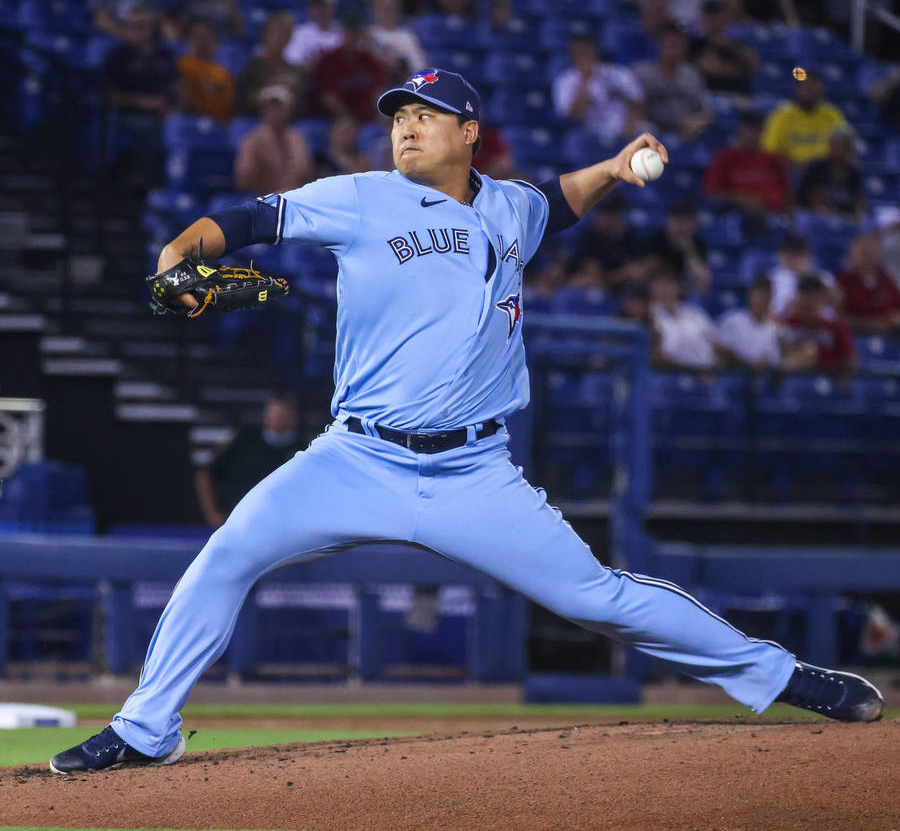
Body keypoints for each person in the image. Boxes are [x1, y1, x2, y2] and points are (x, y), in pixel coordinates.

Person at [50, 67, 882, 774]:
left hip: (474, 474)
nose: (405, 130)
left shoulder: (511, 208)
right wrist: (176, 254)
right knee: (228, 552)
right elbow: (243, 222)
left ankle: (783, 677)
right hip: (356, 458)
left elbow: (557, 202)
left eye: (424, 116)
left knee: (598, 598)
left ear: (470, 132)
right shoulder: (361, 199)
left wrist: (619, 165)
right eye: (398, 119)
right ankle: (143, 729)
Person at [195, 394, 299, 528]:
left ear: (293, 417)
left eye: (283, 414)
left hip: (284, 526)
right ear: (265, 416)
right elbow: (205, 474)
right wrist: (212, 513)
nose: (279, 419)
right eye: (274, 414)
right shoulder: (244, 442)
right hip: (236, 524)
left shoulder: (305, 449)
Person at [102, 7, 178, 192]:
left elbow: (179, 88)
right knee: (148, 128)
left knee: (180, 127)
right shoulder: (118, 56)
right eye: (133, 26)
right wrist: (141, 102)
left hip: (164, 113)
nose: (138, 31)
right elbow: (109, 96)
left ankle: (177, 185)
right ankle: (149, 182)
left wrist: (174, 110)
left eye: (143, 26)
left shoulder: (164, 55)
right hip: (128, 114)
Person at [552, 34, 644, 147]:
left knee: (651, 134)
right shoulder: (565, 81)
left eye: (586, 51)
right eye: (578, 53)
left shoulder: (617, 73)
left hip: (625, 131)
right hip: (590, 136)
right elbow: (573, 116)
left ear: (594, 51)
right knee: (576, 140)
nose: (583, 56)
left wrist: (630, 126)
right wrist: (584, 81)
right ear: (571, 55)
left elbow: (637, 101)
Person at [703, 110, 791, 216]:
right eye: (749, 130)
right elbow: (712, 194)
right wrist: (740, 199)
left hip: (775, 217)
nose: (753, 135)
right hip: (738, 217)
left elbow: (787, 193)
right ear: (740, 131)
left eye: (757, 131)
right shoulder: (724, 158)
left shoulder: (773, 159)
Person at [634, 23, 711, 141]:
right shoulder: (643, 73)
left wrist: (695, 122)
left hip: (685, 132)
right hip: (653, 131)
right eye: (671, 43)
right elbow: (635, 111)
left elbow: (705, 112)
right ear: (660, 45)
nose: (676, 48)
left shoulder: (692, 74)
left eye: (680, 44)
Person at [234, 84, 316, 194]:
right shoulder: (252, 140)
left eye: (279, 106)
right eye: (270, 106)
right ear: (263, 109)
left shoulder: (297, 139)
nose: (274, 110)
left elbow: (306, 173)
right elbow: (243, 180)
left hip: (293, 200)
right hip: (263, 200)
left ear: (289, 109)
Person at [761, 71, 848, 168]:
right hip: (791, 170)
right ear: (797, 88)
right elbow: (770, 151)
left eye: (813, 85)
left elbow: (846, 146)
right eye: (806, 86)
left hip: (825, 171)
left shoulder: (832, 114)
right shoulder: (782, 115)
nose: (810, 89)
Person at [312, 13, 387, 124]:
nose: (353, 36)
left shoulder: (371, 61)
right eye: (349, 31)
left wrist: (381, 115)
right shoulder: (329, 61)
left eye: (356, 32)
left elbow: (379, 92)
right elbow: (328, 97)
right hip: (335, 120)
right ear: (342, 32)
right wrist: (346, 118)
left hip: (368, 120)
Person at [569, 191, 645, 293]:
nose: (607, 219)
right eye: (604, 213)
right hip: (591, 293)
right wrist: (625, 273)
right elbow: (598, 280)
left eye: (614, 214)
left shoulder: (629, 235)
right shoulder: (589, 238)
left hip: (627, 294)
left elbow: (640, 269)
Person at [779, 274, 857, 372]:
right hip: (795, 377)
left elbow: (850, 358)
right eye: (804, 297)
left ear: (821, 298)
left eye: (813, 297)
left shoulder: (834, 326)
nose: (808, 303)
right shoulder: (787, 323)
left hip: (828, 380)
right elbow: (779, 357)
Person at [238, 11, 307, 117]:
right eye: (276, 32)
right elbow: (245, 100)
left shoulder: (295, 70)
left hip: (288, 121)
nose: (280, 38)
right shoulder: (253, 66)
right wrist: (273, 85)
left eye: (285, 34)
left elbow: (300, 104)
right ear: (266, 35)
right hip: (256, 119)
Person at [650, 268, 722, 368]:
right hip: (670, 374)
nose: (665, 289)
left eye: (669, 283)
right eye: (660, 284)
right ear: (651, 288)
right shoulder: (648, 315)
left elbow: (717, 345)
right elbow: (655, 355)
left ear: (679, 287)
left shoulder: (695, 314)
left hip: (708, 373)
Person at [689, 0, 758, 96]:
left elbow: (753, 64)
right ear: (703, 19)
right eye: (710, 16)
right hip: (711, 96)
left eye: (717, 17)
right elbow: (712, 68)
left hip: (741, 95)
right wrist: (739, 70)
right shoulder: (695, 44)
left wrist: (728, 46)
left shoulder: (736, 42)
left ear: (725, 19)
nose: (714, 22)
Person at [642, 200, 711, 294]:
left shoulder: (698, 244)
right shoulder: (656, 239)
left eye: (686, 221)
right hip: (654, 292)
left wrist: (688, 249)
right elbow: (644, 271)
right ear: (668, 221)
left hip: (682, 293)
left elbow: (703, 279)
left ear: (694, 224)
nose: (680, 225)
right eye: (677, 220)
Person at [797, 127, 865, 221]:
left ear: (849, 149)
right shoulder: (816, 167)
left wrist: (856, 219)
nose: (837, 150)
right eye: (834, 146)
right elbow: (813, 199)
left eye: (842, 147)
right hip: (814, 216)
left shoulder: (853, 172)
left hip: (844, 219)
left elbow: (858, 202)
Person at [836, 233, 900, 334]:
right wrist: (872, 324)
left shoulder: (886, 280)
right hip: (856, 335)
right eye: (864, 253)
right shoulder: (842, 281)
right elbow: (838, 316)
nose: (868, 258)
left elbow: (897, 307)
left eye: (872, 253)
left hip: (889, 335)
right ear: (853, 254)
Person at [177, 19, 236, 123]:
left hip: (218, 124)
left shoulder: (223, 73)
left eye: (205, 37)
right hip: (190, 120)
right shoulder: (183, 65)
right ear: (189, 41)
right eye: (196, 37)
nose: (201, 42)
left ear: (215, 40)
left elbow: (228, 105)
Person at [717, 275, 782, 367]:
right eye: (759, 295)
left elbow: (776, 358)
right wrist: (747, 363)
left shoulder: (775, 326)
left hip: (766, 375)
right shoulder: (733, 320)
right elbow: (721, 350)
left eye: (766, 296)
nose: (762, 301)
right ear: (750, 296)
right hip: (735, 371)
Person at [768, 232, 837, 316]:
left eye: (797, 254)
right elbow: (770, 310)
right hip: (786, 324)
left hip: (820, 324)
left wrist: (807, 275)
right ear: (781, 254)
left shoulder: (824, 276)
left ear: (807, 254)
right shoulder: (771, 278)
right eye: (789, 254)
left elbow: (836, 303)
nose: (792, 259)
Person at [368, 0, 427, 82]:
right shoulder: (368, 34)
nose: (387, 10)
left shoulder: (408, 36)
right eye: (383, 6)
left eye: (392, 6)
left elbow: (421, 68)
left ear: (399, 10)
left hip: (410, 84)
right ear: (374, 9)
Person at [283, 0, 343, 69]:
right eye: (314, 5)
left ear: (333, 6)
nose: (319, 9)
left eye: (323, 5)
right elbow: (291, 61)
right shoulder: (298, 33)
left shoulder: (343, 33)